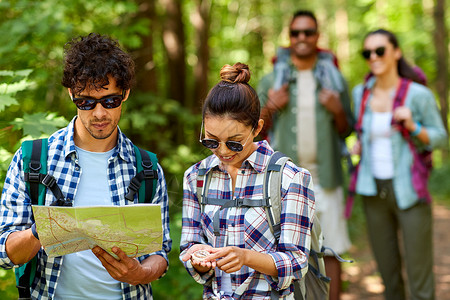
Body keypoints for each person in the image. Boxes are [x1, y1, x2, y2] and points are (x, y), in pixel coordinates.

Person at [0, 33, 171, 299]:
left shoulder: (147, 168)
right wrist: (42, 230)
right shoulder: (31, 160)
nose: (100, 113)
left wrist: (140, 274)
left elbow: (160, 254)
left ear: (125, 93)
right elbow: (5, 254)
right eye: (86, 102)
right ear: (71, 94)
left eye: (110, 100)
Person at [180, 62, 316, 299]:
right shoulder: (196, 177)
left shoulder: (290, 178)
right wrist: (199, 257)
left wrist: (246, 257)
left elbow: (296, 262)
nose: (222, 151)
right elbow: (189, 244)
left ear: (257, 128)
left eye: (234, 142)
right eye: (211, 141)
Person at [257, 10, 353, 299]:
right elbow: (253, 129)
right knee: (282, 251)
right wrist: (272, 105)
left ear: (317, 36)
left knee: (332, 249)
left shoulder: (334, 80)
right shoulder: (272, 80)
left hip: (326, 180)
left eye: (308, 32)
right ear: (289, 37)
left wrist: (337, 110)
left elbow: (347, 129)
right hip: (283, 185)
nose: (302, 38)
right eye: (296, 33)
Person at [352, 29, 447, 300]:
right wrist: (359, 145)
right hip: (372, 190)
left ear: (396, 52)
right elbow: (363, 133)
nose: (373, 57)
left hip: (409, 190)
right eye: (367, 52)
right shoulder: (361, 93)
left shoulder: (417, 94)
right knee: (388, 275)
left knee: (420, 278)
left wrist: (414, 126)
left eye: (380, 50)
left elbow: (440, 138)